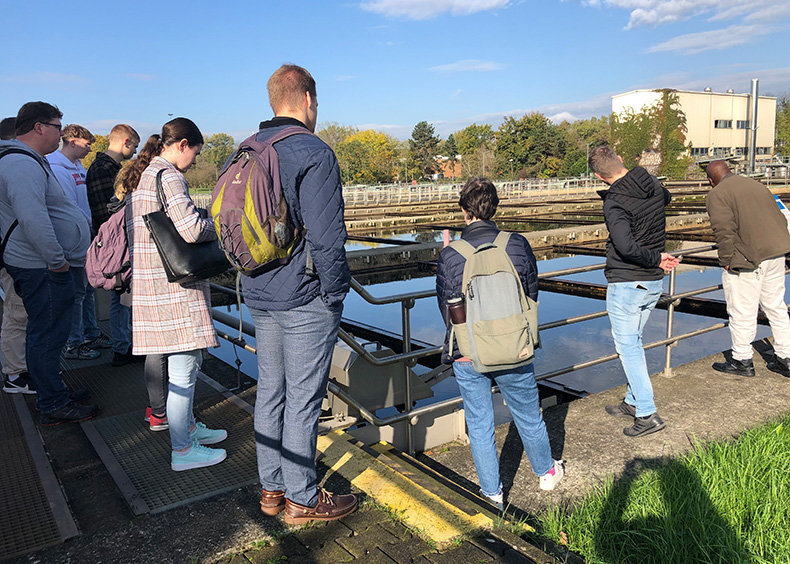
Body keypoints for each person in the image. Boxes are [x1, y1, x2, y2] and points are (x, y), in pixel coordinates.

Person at [245, 64, 356, 524]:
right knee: (305, 399)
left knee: (270, 392)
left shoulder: (246, 149)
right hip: (304, 296)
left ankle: (271, 490)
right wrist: (335, 293)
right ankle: (303, 499)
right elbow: (328, 238)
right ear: (308, 99)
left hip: (258, 290)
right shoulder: (313, 151)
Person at [436, 177, 563, 508]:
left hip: (467, 353)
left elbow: (446, 309)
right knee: (528, 414)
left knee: (479, 424)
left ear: (464, 210)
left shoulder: (451, 254)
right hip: (514, 347)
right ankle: (547, 473)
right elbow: (531, 293)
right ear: (494, 207)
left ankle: (492, 493)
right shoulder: (517, 244)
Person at [126, 118, 226, 471]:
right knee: (183, 370)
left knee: (184, 366)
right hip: (175, 289)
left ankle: (189, 430)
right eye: (195, 153)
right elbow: (191, 228)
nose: (195, 161)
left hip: (153, 283)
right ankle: (183, 450)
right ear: (182, 144)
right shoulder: (169, 176)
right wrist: (217, 225)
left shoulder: (143, 177)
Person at [0, 102, 96, 424]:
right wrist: (57, 261)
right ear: (39, 127)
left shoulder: (25, 161)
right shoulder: (21, 164)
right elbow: (33, 218)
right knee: (47, 333)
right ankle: (53, 403)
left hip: (39, 263)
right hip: (40, 265)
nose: (61, 132)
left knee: (48, 332)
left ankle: (52, 391)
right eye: (57, 125)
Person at [589, 145, 679, 438]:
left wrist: (655, 257)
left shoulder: (614, 201)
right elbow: (665, 198)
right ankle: (632, 401)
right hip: (652, 282)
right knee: (635, 342)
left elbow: (625, 246)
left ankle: (647, 414)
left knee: (628, 348)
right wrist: (658, 258)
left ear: (599, 176)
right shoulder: (649, 180)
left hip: (628, 282)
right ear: (621, 157)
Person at [706, 160, 790, 377]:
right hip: (776, 253)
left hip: (748, 259)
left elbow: (723, 230)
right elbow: (780, 217)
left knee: (742, 311)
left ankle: (742, 360)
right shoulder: (756, 185)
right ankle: (785, 357)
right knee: (776, 307)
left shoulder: (717, 194)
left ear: (711, 180)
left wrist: (726, 259)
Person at [114, 142, 169, 431]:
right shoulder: (157, 181)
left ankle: (155, 409)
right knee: (160, 349)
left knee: (152, 347)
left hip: (135, 270)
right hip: (155, 274)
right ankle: (162, 412)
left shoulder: (133, 184)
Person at [47, 125, 108, 360]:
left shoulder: (78, 167)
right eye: (87, 143)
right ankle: (74, 343)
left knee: (87, 289)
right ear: (72, 141)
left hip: (85, 238)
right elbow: (67, 208)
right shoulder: (57, 168)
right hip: (71, 241)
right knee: (76, 294)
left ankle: (91, 333)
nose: (90, 148)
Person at [86, 124, 140, 366]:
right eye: (135, 146)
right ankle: (122, 347)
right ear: (125, 142)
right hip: (116, 246)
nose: (135, 151)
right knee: (122, 298)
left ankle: (123, 344)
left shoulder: (102, 168)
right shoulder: (104, 170)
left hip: (113, 244)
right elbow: (108, 214)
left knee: (122, 299)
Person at [0, 117, 32, 395]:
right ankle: (14, 374)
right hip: (13, 256)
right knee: (16, 313)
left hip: (13, 253)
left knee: (19, 312)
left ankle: (19, 369)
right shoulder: (10, 163)